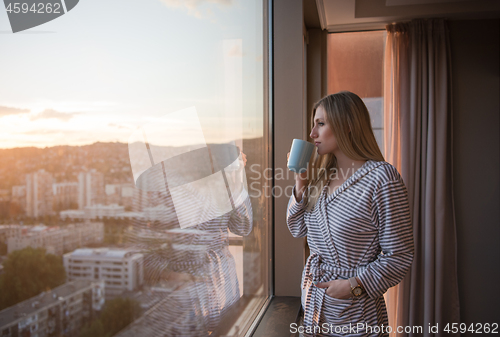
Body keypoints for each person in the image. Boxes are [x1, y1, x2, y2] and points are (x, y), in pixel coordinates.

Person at [286, 91, 414, 337]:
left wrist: (353, 286)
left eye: (320, 124)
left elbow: (400, 254)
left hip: (355, 312)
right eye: (313, 125)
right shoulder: (322, 178)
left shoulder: (382, 178)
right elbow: (297, 229)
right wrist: (300, 183)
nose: (312, 134)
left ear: (348, 126)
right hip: (314, 309)